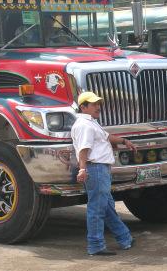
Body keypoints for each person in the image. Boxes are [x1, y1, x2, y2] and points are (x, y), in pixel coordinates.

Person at [71, 92, 136, 256]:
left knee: (106, 207)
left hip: (100, 169)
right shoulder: (85, 125)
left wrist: (124, 141)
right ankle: (95, 245)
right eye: (93, 104)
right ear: (83, 107)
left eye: (98, 103)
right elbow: (84, 149)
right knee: (97, 208)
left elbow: (107, 137)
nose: (98, 107)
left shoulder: (91, 123)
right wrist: (82, 168)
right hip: (96, 169)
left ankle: (124, 238)